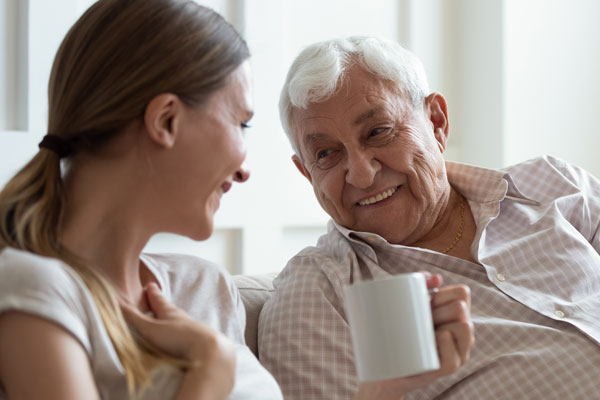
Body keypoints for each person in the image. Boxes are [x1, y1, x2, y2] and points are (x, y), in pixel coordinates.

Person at [258, 35, 600, 400]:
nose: (361, 174)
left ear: (436, 122)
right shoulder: (318, 296)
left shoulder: (552, 185)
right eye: (326, 153)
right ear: (307, 173)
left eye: (377, 132)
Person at [0, 0, 283, 399]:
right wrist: (208, 371)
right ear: (166, 120)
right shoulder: (35, 289)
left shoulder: (205, 287)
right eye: (241, 123)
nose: (243, 170)